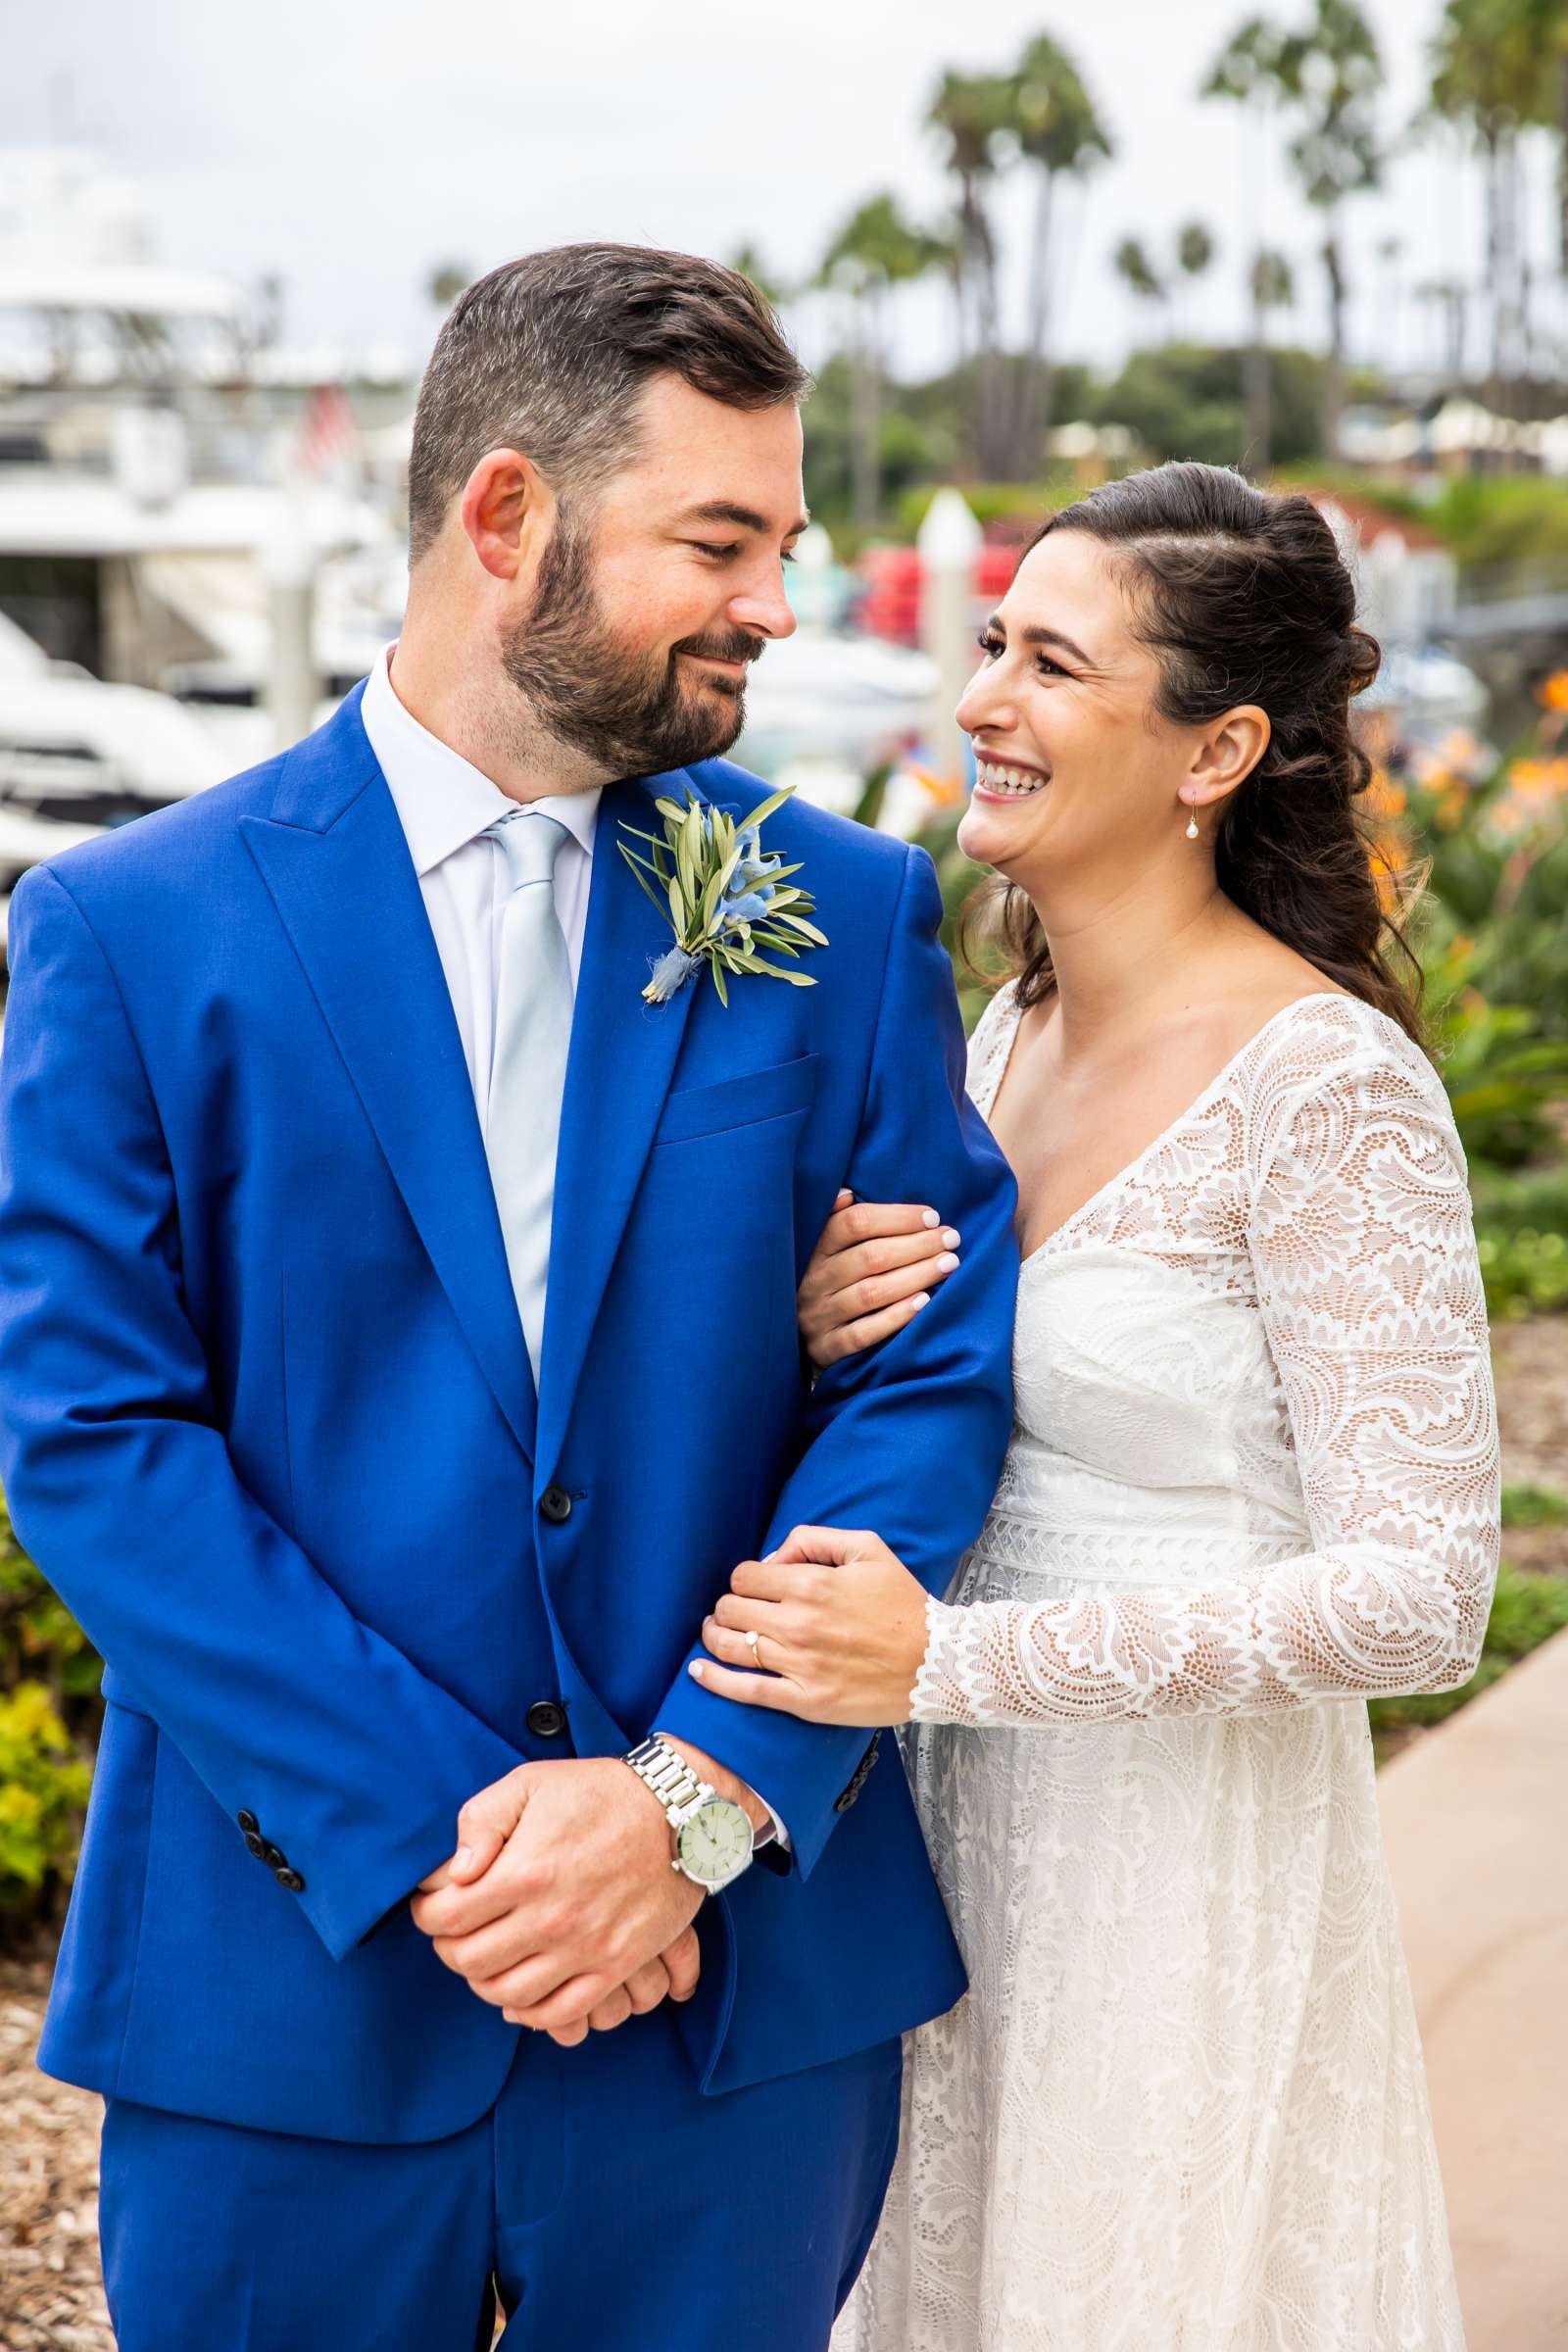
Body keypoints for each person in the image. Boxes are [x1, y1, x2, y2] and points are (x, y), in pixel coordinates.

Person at [0, 245, 1020, 2351]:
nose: (773, 602)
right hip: (294, 1986)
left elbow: (925, 1374)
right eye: (717, 542)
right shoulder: (126, 928)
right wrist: (458, 1830)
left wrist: (690, 1799)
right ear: (504, 519)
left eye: (785, 545)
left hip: (731, 2010)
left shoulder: (837, 910)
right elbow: (92, 1440)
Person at [692, 463, 1501, 2352]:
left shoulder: (1325, 1087)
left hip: (1171, 1886)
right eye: (991, 645)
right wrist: (827, 1334)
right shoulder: (996, 1039)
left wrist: (951, 1669)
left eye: (1052, 664)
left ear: (1215, 748)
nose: (980, 701)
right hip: (948, 1872)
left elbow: (1425, 1597)